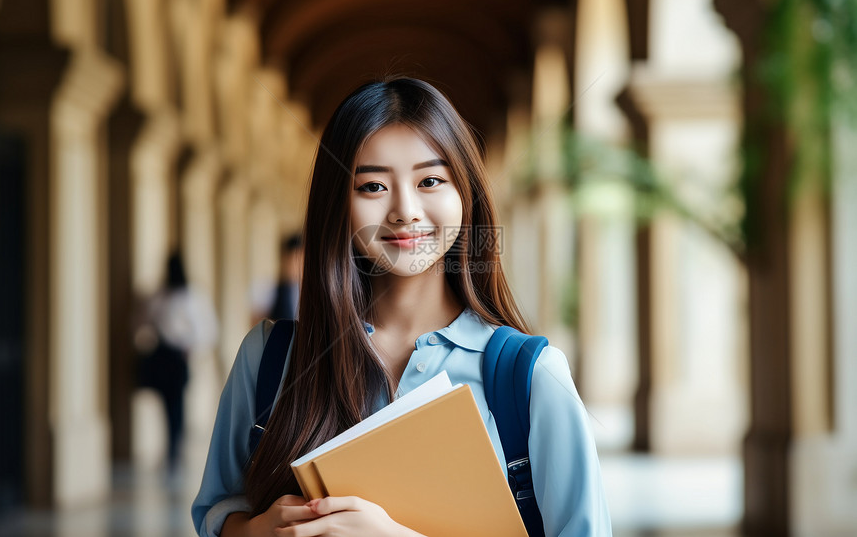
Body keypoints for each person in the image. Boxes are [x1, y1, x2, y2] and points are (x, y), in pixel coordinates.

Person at [192, 77, 612, 536]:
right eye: (372, 187)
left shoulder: (531, 377)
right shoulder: (269, 357)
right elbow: (218, 508)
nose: (405, 211)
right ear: (338, 205)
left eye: (430, 180)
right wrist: (254, 532)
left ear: (464, 194)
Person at [139, 251, 219, 472]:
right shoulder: (166, 296)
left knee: (175, 405)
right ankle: (173, 448)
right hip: (167, 355)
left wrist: (191, 346)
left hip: (177, 356)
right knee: (171, 405)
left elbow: (206, 330)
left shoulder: (188, 296)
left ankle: (175, 448)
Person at [268, 234, 304, 321]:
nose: (296, 266)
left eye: (300, 260)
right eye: (292, 260)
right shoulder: (277, 290)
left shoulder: (314, 290)